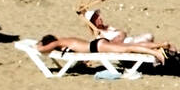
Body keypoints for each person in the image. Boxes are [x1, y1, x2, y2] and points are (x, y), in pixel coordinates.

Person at [78, 6, 174, 50]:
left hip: (127, 41)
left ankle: (158, 49)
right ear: (93, 22)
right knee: (146, 39)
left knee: (149, 35)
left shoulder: (107, 28)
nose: (100, 19)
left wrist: (121, 35)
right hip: (125, 46)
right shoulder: (99, 34)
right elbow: (113, 44)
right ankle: (160, 48)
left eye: (98, 16)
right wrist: (120, 36)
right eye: (96, 18)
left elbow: (122, 33)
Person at [38, 33, 168, 61]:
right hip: (97, 43)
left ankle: (156, 53)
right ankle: (160, 45)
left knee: (128, 48)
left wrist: (37, 45)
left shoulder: (58, 42)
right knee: (129, 45)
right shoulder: (65, 39)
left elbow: (42, 49)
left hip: (96, 47)